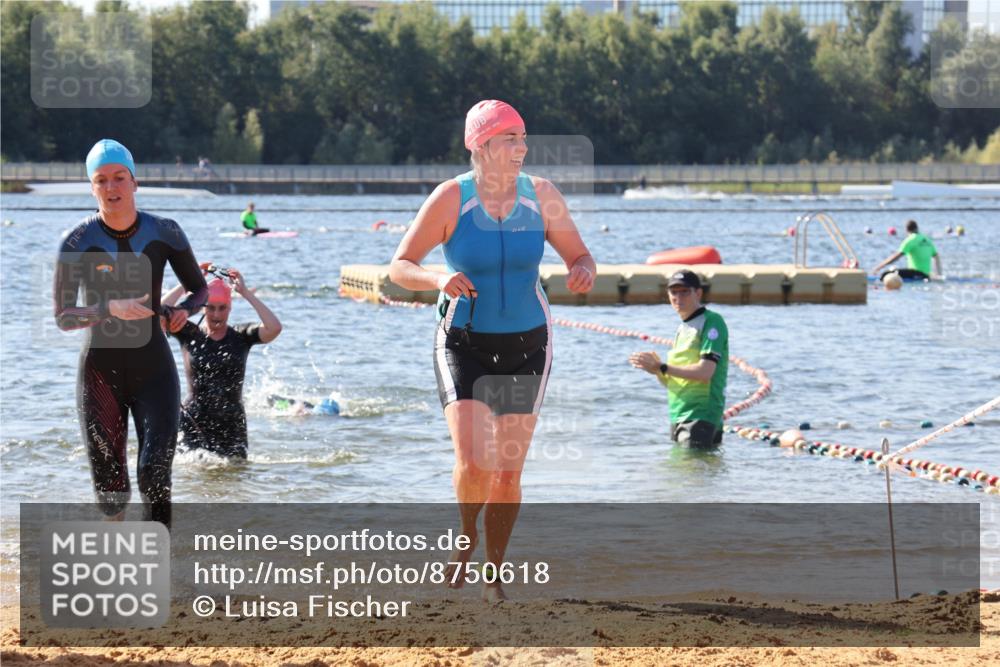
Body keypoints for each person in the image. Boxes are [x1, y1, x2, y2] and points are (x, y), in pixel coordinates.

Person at [389, 100, 595, 602]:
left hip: (529, 342)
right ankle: (465, 534)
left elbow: (580, 254)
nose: (522, 148)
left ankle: (494, 572)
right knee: (474, 462)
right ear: (481, 145)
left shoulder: (542, 196)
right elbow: (399, 266)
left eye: (524, 138)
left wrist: (583, 270)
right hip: (463, 341)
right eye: (510, 139)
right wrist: (438, 277)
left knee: (506, 472)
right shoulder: (450, 199)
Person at [53, 139, 207, 528]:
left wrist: (182, 312)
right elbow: (64, 316)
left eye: (119, 177)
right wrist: (109, 308)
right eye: (101, 180)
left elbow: (199, 288)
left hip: (153, 369)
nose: (111, 187)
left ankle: (159, 575)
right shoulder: (77, 241)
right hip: (100, 375)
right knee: (111, 487)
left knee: (155, 475)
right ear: (92, 187)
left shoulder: (166, 232)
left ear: (135, 182)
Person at [161, 267, 282, 459]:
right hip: (194, 421)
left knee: (235, 480)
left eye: (222, 308)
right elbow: (157, 313)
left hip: (231, 423)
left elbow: (274, 328)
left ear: (230, 307)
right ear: (202, 307)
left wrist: (245, 293)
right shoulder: (188, 333)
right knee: (193, 476)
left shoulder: (242, 336)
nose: (216, 314)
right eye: (211, 307)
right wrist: (186, 284)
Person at [629, 270, 729, 449]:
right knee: (683, 473)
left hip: (701, 415)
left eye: (684, 292)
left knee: (690, 473)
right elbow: (676, 382)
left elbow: (705, 372)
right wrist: (657, 371)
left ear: (698, 293)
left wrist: (663, 367)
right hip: (679, 414)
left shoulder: (712, 321)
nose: (678, 297)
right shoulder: (682, 329)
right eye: (673, 292)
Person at [871, 220, 942, 281]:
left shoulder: (910, 239)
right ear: (917, 228)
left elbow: (896, 257)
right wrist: (939, 274)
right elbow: (936, 256)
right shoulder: (927, 239)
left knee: (886, 274)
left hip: (916, 274)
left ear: (907, 230)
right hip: (926, 275)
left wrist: (879, 267)